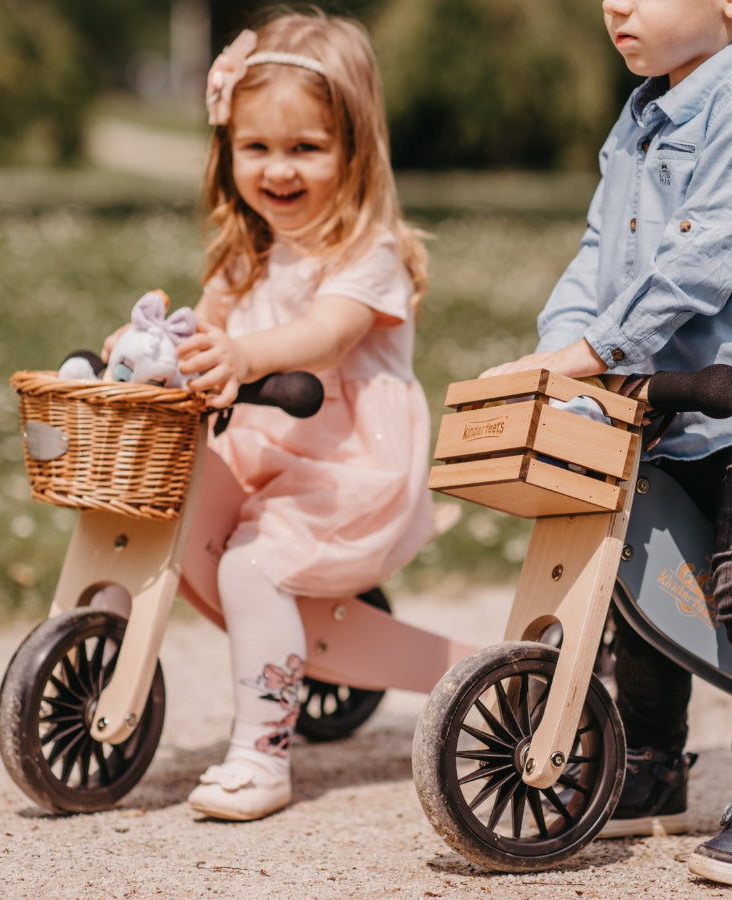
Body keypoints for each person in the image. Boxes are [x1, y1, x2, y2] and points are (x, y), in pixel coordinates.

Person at [481, 0, 732, 888]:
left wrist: (599, 350)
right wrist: (558, 350)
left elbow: (704, 256)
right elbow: (601, 249)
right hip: (668, 409)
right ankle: (649, 769)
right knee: (637, 590)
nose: (617, 3)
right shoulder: (642, 114)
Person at [165, 9, 435, 822]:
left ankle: (261, 755)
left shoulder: (369, 254)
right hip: (266, 454)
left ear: (354, 151)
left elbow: (323, 339)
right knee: (174, 509)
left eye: (306, 148)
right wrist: (153, 343)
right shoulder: (247, 253)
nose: (278, 170)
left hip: (347, 465)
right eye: (257, 147)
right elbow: (200, 331)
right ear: (227, 149)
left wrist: (246, 358)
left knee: (250, 568)